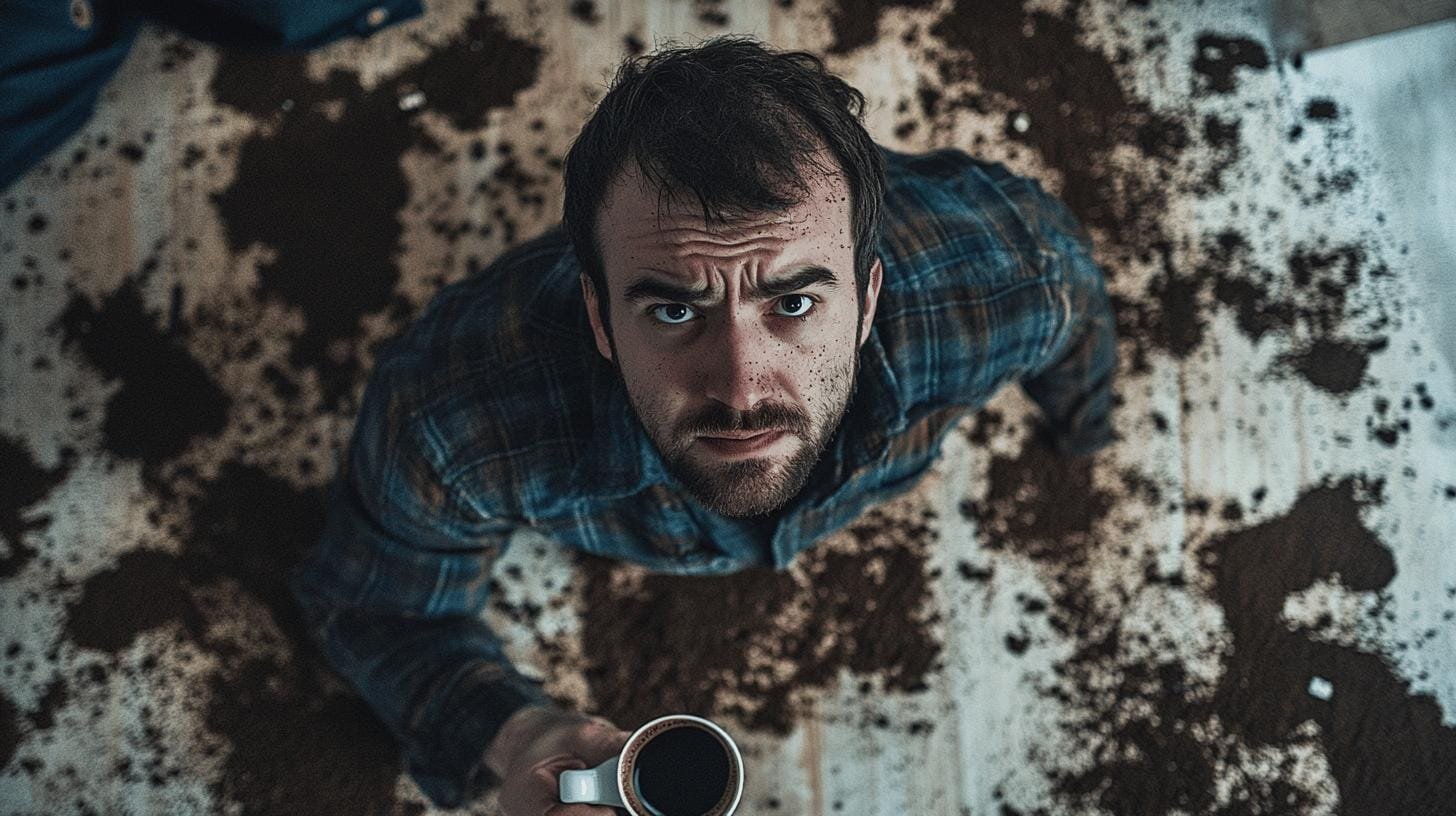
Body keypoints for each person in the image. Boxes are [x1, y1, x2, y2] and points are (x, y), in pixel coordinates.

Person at [289, 35, 1116, 814]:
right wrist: (520, 732)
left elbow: (1077, 340)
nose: (741, 387)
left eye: (792, 303)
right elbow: (379, 611)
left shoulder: (1013, 277)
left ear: (866, 300)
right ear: (600, 317)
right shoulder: (450, 418)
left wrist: (1082, 428)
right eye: (675, 309)